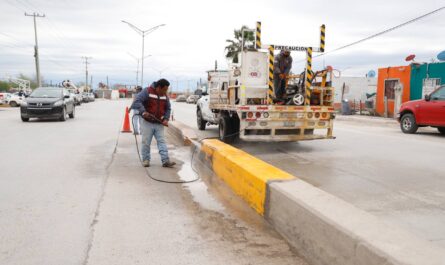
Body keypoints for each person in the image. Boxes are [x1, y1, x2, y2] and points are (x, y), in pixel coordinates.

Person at [132, 79, 176, 168]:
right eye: (164, 89)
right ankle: (146, 160)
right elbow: (137, 102)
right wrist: (143, 111)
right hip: (147, 122)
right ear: (159, 88)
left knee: (162, 142)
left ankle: (165, 160)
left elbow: (168, 108)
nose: (165, 92)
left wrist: (166, 119)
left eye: (167, 90)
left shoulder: (164, 95)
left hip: (159, 123)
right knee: (146, 142)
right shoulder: (147, 91)